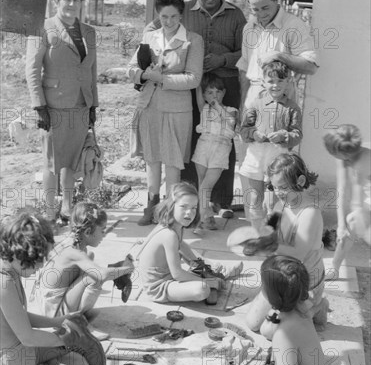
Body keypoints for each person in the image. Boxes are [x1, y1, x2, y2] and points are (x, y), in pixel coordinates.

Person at [147, 0, 246, 218]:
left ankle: (220, 201)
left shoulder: (236, 15)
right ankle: (189, 199)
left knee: (223, 140)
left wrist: (223, 59)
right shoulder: (183, 11)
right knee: (191, 141)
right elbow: (155, 28)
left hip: (225, 85)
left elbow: (245, 51)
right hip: (191, 88)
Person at [0, 212, 102, 365]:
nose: (40, 266)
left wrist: (58, 322)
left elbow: (18, 317)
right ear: (21, 254)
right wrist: (71, 337)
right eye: (38, 260)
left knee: (61, 343)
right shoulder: (3, 285)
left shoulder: (9, 270)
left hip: (20, 354)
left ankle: (59, 353)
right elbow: (28, 337)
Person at [127, 0, 204, 226]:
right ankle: (151, 204)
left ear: (181, 15)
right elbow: (132, 69)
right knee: (151, 158)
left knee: (172, 162)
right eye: (163, 16)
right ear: (158, 16)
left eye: (173, 16)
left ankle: (170, 211)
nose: (168, 21)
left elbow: (194, 78)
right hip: (150, 107)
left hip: (177, 110)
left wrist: (162, 78)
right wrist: (142, 75)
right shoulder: (149, 37)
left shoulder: (193, 40)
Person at [26, 0, 99, 225]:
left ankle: (67, 208)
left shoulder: (89, 32)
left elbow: (91, 71)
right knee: (51, 162)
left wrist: (93, 105)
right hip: (54, 106)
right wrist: (39, 106)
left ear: (81, 3)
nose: (71, 4)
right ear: (57, 0)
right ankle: (48, 212)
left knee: (71, 160)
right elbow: (32, 70)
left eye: (76, 0)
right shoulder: (42, 27)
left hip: (80, 104)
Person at [236, 0, 318, 167]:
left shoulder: (294, 26)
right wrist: (242, 107)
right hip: (253, 102)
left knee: (279, 169)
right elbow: (244, 69)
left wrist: (280, 56)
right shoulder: (249, 28)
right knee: (250, 166)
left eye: (265, 7)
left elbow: (311, 67)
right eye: (254, 9)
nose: (260, 13)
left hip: (281, 102)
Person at [241, 153, 328, 333]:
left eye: (283, 187)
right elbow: (269, 229)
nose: (278, 192)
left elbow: (297, 255)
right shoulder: (282, 204)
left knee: (268, 332)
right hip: (281, 277)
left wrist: (267, 246)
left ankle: (317, 306)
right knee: (252, 323)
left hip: (304, 283)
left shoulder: (310, 213)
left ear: (301, 180)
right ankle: (293, 310)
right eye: (274, 187)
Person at [138, 182, 242, 303]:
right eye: (184, 207)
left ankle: (211, 269)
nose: (189, 212)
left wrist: (199, 265)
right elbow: (177, 274)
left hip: (170, 277)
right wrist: (206, 282)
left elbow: (182, 248)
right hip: (160, 287)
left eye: (193, 208)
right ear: (171, 206)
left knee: (184, 247)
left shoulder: (176, 227)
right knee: (202, 289)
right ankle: (211, 274)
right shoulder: (168, 234)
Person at [33, 202, 134, 317]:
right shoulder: (75, 252)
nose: (104, 234)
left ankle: (76, 311)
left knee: (90, 257)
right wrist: (127, 268)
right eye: (102, 230)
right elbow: (100, 275)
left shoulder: (72, 242)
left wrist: (114, 270)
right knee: (94, 276)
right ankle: (77, 320)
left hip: (49, 302)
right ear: (87, 232)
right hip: (53, 312)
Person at [239, 61, 302, 229]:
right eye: (271, 81)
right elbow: (244, 130)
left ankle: (274, 234)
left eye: (280, 81)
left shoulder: (292, 108)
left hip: (277, 156)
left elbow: (297, 135)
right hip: (256, 155)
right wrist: (254, 134)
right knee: (255, 198)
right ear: (263, 82)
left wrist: (284, 135)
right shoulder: (255, 104)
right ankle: (256, 234)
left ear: (288, 81)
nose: (275, 85)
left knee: (274, 200)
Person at [192, 74, 239, 232]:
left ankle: (201, 218)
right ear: (204, 95)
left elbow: (230, 121)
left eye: (218, 92)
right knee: (201, 183)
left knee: (207, 185)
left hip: (220, 150)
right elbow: (198, 91)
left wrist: (217, 106)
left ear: (224, 93)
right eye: (210, 93)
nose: (214, 96)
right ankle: (206, 216)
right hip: (203, 147)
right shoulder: (204, 108)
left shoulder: (231, 110)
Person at [323, 124, 371, 279]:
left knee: (354, 221)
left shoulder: (365, 157)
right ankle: (334, 268)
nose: (340, 160)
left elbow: (357, 200)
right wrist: (340, 226)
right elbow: (341, 190)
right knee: (347, 228)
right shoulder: (342, 154)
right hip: (367, 197)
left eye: (342, 157)